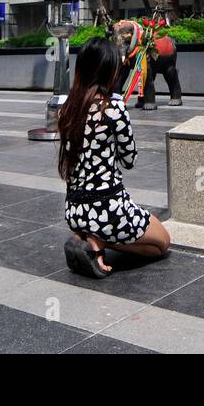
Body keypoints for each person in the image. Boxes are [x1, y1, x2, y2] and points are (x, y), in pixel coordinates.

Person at [58, 37, 170, 278]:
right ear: (108, 71)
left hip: (74, 210)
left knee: (149, 237)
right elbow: (129, 160)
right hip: (108, 207)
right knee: (161, 244)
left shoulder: (67, 108)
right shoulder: (114, 108)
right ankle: (98, 244)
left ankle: (87, 237)